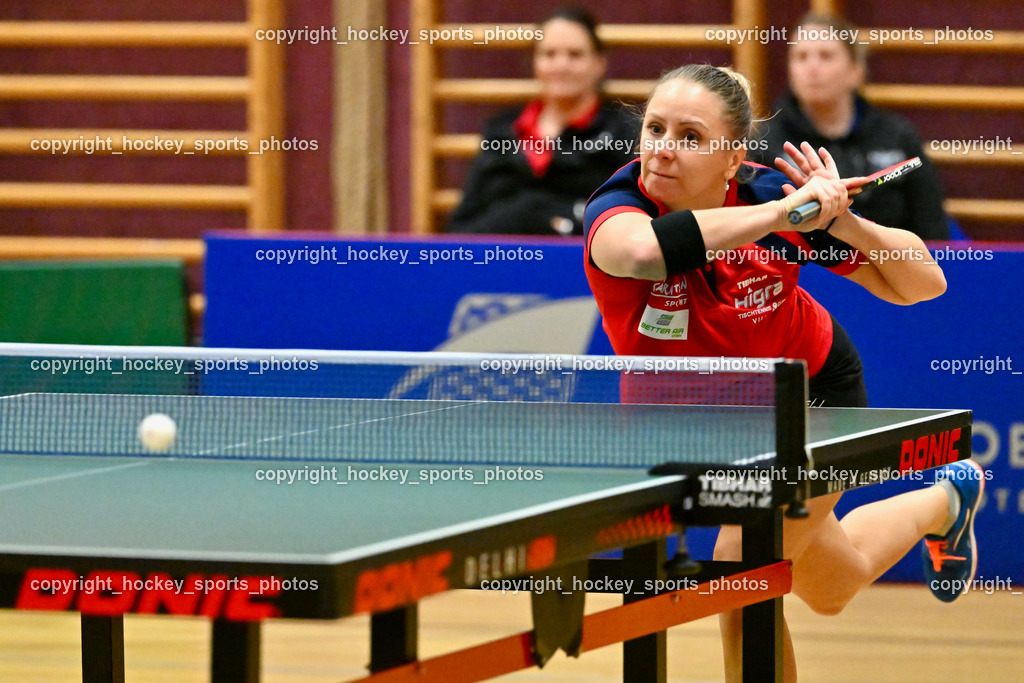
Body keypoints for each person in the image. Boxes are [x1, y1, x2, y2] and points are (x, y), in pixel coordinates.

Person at [582, 63, 983, 681]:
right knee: (832, 586)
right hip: (702, 423)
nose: (663, 149)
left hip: (813, 399)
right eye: (656, 128)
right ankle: (947, 500)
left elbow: (923, 283)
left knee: (740, 572)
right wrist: (785, 217)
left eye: (690, 137)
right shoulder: (619, 207)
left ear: (732, 157)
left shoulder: (772, 197)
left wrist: (839, 219)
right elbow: (642, 252)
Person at [752, 13, 951, 240]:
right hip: (801, 271)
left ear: (855, 72)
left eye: (826, 56)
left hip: (888, 267)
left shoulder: (898, 137)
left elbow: (932, 228)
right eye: (801, 57)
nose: (812, 68)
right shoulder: (764, 139)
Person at [446, 6, 636, 236]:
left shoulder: (623, 132)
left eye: (575, 55)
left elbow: (632, 224)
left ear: (599, 63)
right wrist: (528, 213)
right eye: (549, 54)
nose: (561, 66)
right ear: (535, 62)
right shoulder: (501, 132)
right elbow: (463, 227)